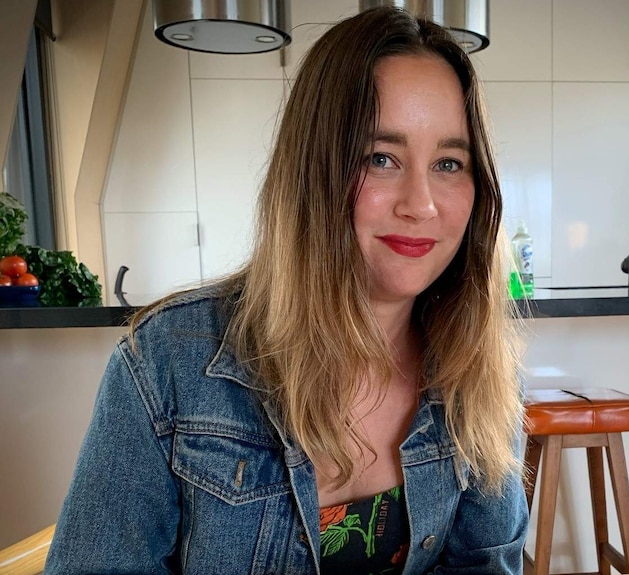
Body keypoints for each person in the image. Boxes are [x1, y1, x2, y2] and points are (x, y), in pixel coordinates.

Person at [44, 6, 528, 574]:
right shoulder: (167, 363)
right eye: (380, 158)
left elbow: (485, 566)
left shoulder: (478, 368)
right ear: (312, 172)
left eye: (449, 162)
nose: (420, 204)